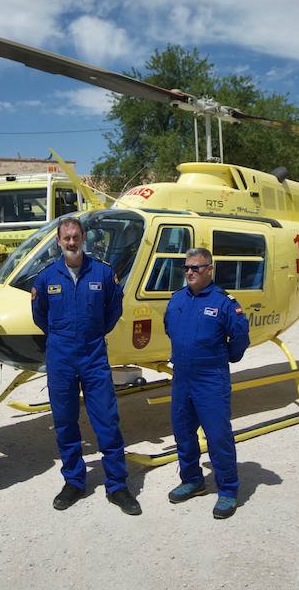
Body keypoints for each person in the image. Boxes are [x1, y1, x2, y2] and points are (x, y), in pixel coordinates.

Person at [31, 217, 140, 516]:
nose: (71, 242)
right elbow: (40, 316)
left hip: (93, 357)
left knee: (106, 420)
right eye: (66, 237)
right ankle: (74, 481)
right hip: (61, 359)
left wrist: (91, 334)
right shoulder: (46, 277)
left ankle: (117, 485)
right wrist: (63, 337)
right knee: (65, 422)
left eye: (76, 236)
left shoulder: (103, 273)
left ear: (83, 238)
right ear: (58, 241)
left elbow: (113, 310)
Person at [163, 247, 250, 519]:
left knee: (217, 435)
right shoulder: (177, 299)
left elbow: (240, 337)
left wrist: (226, 358)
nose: (189, 272)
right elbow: (169, 328)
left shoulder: (224, 303)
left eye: (196, 268)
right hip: (182, 378)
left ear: (209, 270)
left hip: (211, 378)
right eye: (186, 268)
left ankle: (228, 490)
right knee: (183, 432)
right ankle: (192, 480)